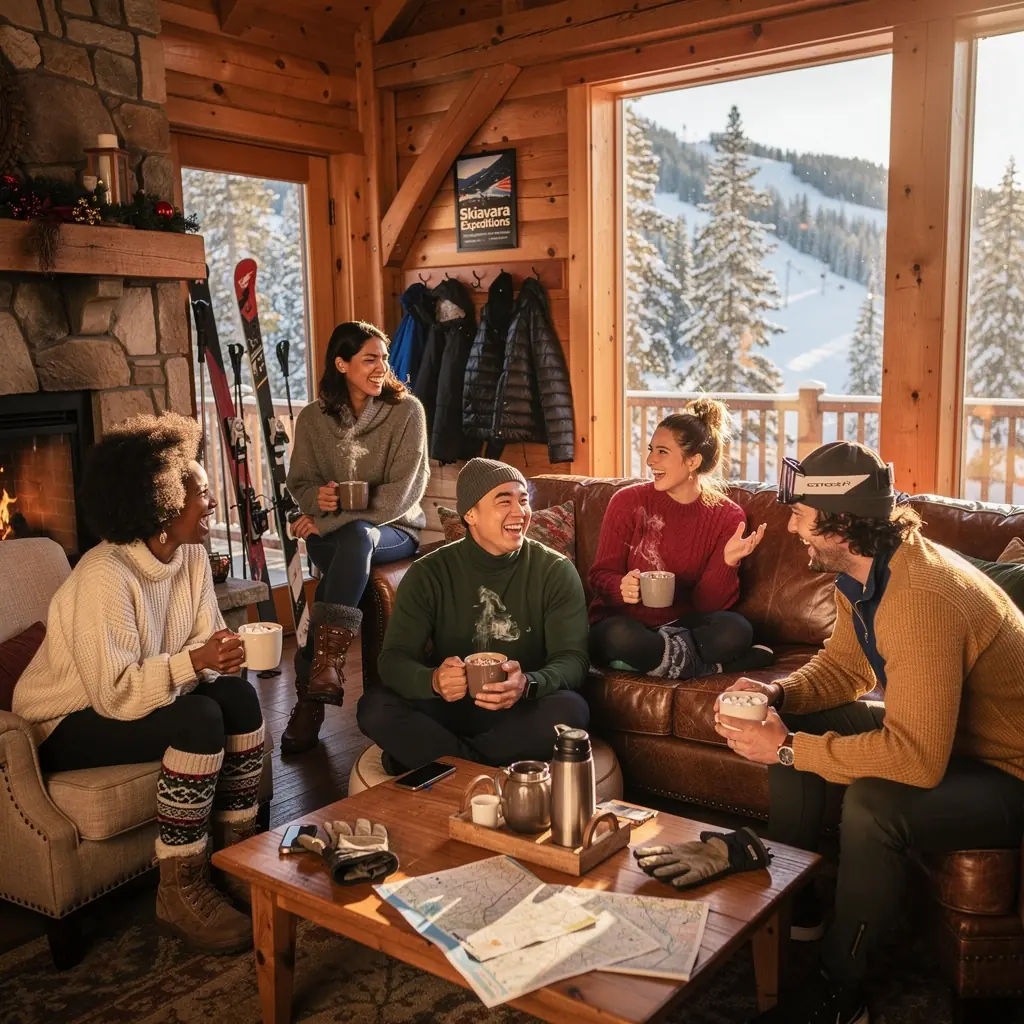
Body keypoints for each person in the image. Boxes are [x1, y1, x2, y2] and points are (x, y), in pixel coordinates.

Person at [713, 441, 1024, 1024]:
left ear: (841, 522)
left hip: (1009, 768)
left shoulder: (923, 595)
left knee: (873, 806)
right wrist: (773, 697)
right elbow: (845, 670)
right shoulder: (864, 572)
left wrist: (783, 747)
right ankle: (797, 906)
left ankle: (841, 990)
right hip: (957, 738)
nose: (792, 525)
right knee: (800, 715)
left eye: (801, 514)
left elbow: (917, 759)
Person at [13, 413, 265, 955]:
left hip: (136, 693)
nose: (211, 501)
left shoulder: (192, 557)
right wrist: (194, 662)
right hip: (61, 721)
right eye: (200, 491)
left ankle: (237, 857)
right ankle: (179, 889)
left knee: (239, 699)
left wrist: (222, 657)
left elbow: (204, 650)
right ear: (162, 505)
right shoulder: (104, 577)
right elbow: (114, 693)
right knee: (200, 718)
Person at [357, 458, 590, 772]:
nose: (520, 512)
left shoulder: (555, 570)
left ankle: (437, 762)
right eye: (503, 501)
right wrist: (434, 681)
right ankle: (481, 763)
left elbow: (574, 660)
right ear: (470, 514)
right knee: (374, 708)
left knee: (572, 710)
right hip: (451, 706)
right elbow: (394, 659)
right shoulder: (429, 572)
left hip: (519, 708)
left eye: (523, 500)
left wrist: (527, 684)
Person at [284, 321, 430, 754]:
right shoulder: (313, 418)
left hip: (395, 529)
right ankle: (325, 672)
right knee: (351, 544)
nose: (381, 367)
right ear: (342, 364)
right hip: (334, 534)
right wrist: (320, 498)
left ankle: (312, 695)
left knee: (357, 538)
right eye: (370, 359)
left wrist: (327, 521)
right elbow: (301, 484)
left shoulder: (408, 412)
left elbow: (403, 494)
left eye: (384, 358)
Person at [588, 398, 771, 680]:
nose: (650, 460)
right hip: (625, 622)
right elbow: (600, 575)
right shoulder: (627, 501)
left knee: (737, 629)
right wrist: (619, 585)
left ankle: (652, 661)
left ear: (693, 461)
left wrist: (727, 561)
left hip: (682, 625)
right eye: (651, 450)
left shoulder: (728, 516)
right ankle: (708, 667)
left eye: (662, 452)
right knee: (619, 637)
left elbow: (708, 605)